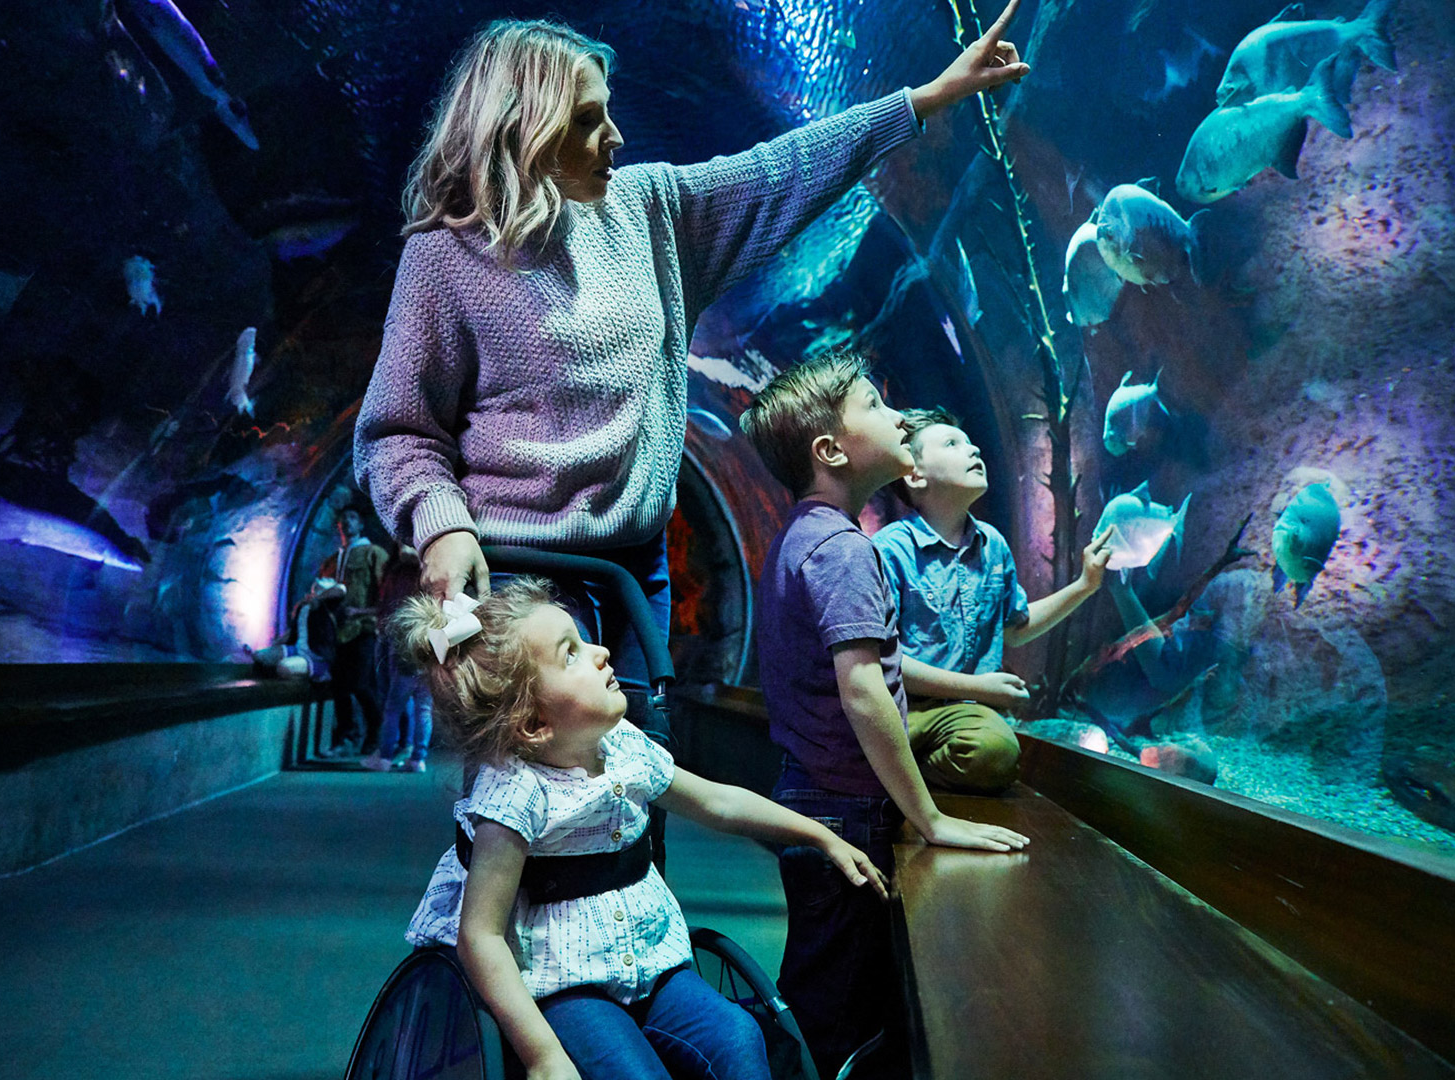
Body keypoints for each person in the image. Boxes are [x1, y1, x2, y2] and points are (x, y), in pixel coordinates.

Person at [353, 3, 1033, 744]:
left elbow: (781, 171)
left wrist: (924, 100)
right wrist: (440, 526)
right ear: (523, 128)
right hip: (518, 571)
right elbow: (397, 431)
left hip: (636, 567)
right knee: (535, 809)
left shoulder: (649, 211)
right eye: (586, 120)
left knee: (641, 775)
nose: (614, 136)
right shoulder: (446, 257)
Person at [391, 578, 887, 1080]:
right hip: (562, 982)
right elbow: (481, 935)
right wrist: (543, 1057)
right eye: (571, 654)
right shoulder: (515, 794)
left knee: (740, 1039)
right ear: (534, 724)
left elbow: (716, 801)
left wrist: (818, 834)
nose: (602, 652)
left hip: (649, 962)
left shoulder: (625, 746)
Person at [737, 352, 1030, 1077]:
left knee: (819, 977)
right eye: (875, 403)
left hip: (811, 792)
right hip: (844, 810)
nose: (898, 416)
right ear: (832, 451)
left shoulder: (801, 539)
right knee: (842, 1006)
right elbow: (864, 690)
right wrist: (930, 819)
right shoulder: (844, 552)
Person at [873, 407, 1113, 793]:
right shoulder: (889, 550)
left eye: (970, 443)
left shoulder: (993, 545)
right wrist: (978, 688)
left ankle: (900, 775)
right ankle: (896, 774)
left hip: (965, 718)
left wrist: (1085, 584)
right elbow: (883, 662)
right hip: (903, 708)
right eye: (952, 443)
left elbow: (1015, 629)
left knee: (995, 750)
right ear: (915, 476)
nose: (974, 450)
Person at [364, 544, 433, 772]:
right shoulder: (429, 564)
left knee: (393, 705)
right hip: (427, 637)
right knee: (423, 707)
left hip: (402, 638)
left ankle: (384, 756)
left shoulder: (401, 568)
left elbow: (388, 602)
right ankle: (417, 759)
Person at [328, 508, 390, 758]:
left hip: (364, 628)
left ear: (361, 523)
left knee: (362, 684)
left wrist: (366, 612)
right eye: (343, 518)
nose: (346, 521)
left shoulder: (373, 553)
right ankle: (347, 736)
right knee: (339, 687)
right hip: (339, 631)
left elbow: (385, 592)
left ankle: (375, 735)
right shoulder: (333, 559)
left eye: (352, 517)